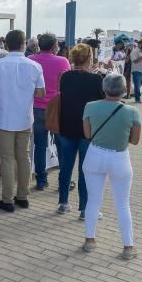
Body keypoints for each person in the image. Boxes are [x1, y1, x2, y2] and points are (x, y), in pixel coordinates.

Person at [0, 30, 46, 213]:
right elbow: (41, 93)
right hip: (25, 117)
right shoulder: (35, 66)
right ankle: (22, 197)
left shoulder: (0, 64)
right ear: (24, 44)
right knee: (23, 157)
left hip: (4, 117)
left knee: (7, 159)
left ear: (6, 45)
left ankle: (7, 200)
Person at [81, 73, 141, 259]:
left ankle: (90, 240)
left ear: (104, 88)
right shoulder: (132, 112)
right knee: (123, 204)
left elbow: (87, 134)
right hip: (119, 158)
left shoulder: (90, 106)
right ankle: (128, 246)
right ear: (124, 90)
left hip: (95, 155)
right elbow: (135, 140)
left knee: (93, 200)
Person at [55, 44, 105, 219]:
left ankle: (63, 203)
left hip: (66, 126)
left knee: (65, 167)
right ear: (89, 58)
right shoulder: (96, 80)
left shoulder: (65, 76)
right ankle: (84, 209)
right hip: (87, 129)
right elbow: (103, 99)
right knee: (86, 169)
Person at [29, 33, 71, 190]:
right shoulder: (63, 61)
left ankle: (41, 179)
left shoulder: (31, 60)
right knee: (61, 145)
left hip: (36, 107)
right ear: (54, 46)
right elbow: (66, 84)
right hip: (57, 108)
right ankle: (63, 180)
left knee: (40, 145)